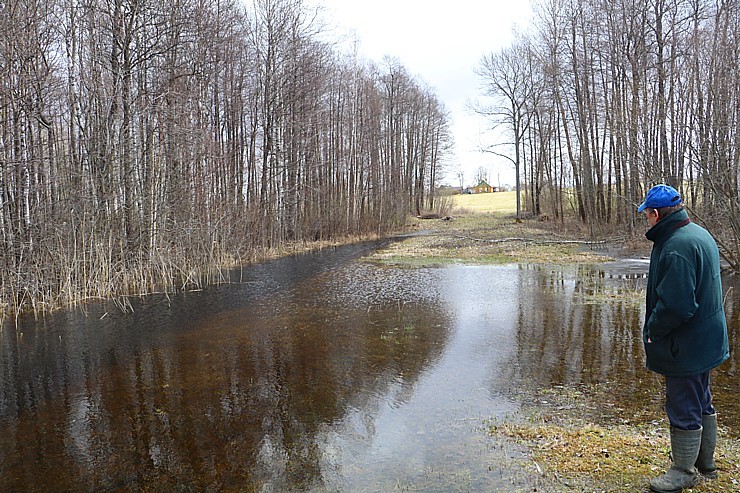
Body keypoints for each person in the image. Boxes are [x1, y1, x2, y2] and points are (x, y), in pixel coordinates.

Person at [637, 184, 730, 492]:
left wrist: (653, 330)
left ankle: (683, 471)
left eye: (646, 215)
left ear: (655, 214)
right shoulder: (698, 234)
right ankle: (706, 463)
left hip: (686, 346)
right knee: (701, 397)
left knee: (682, 405)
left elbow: (677, 306)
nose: (646, 221)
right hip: (706, 341)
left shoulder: (677, 246)